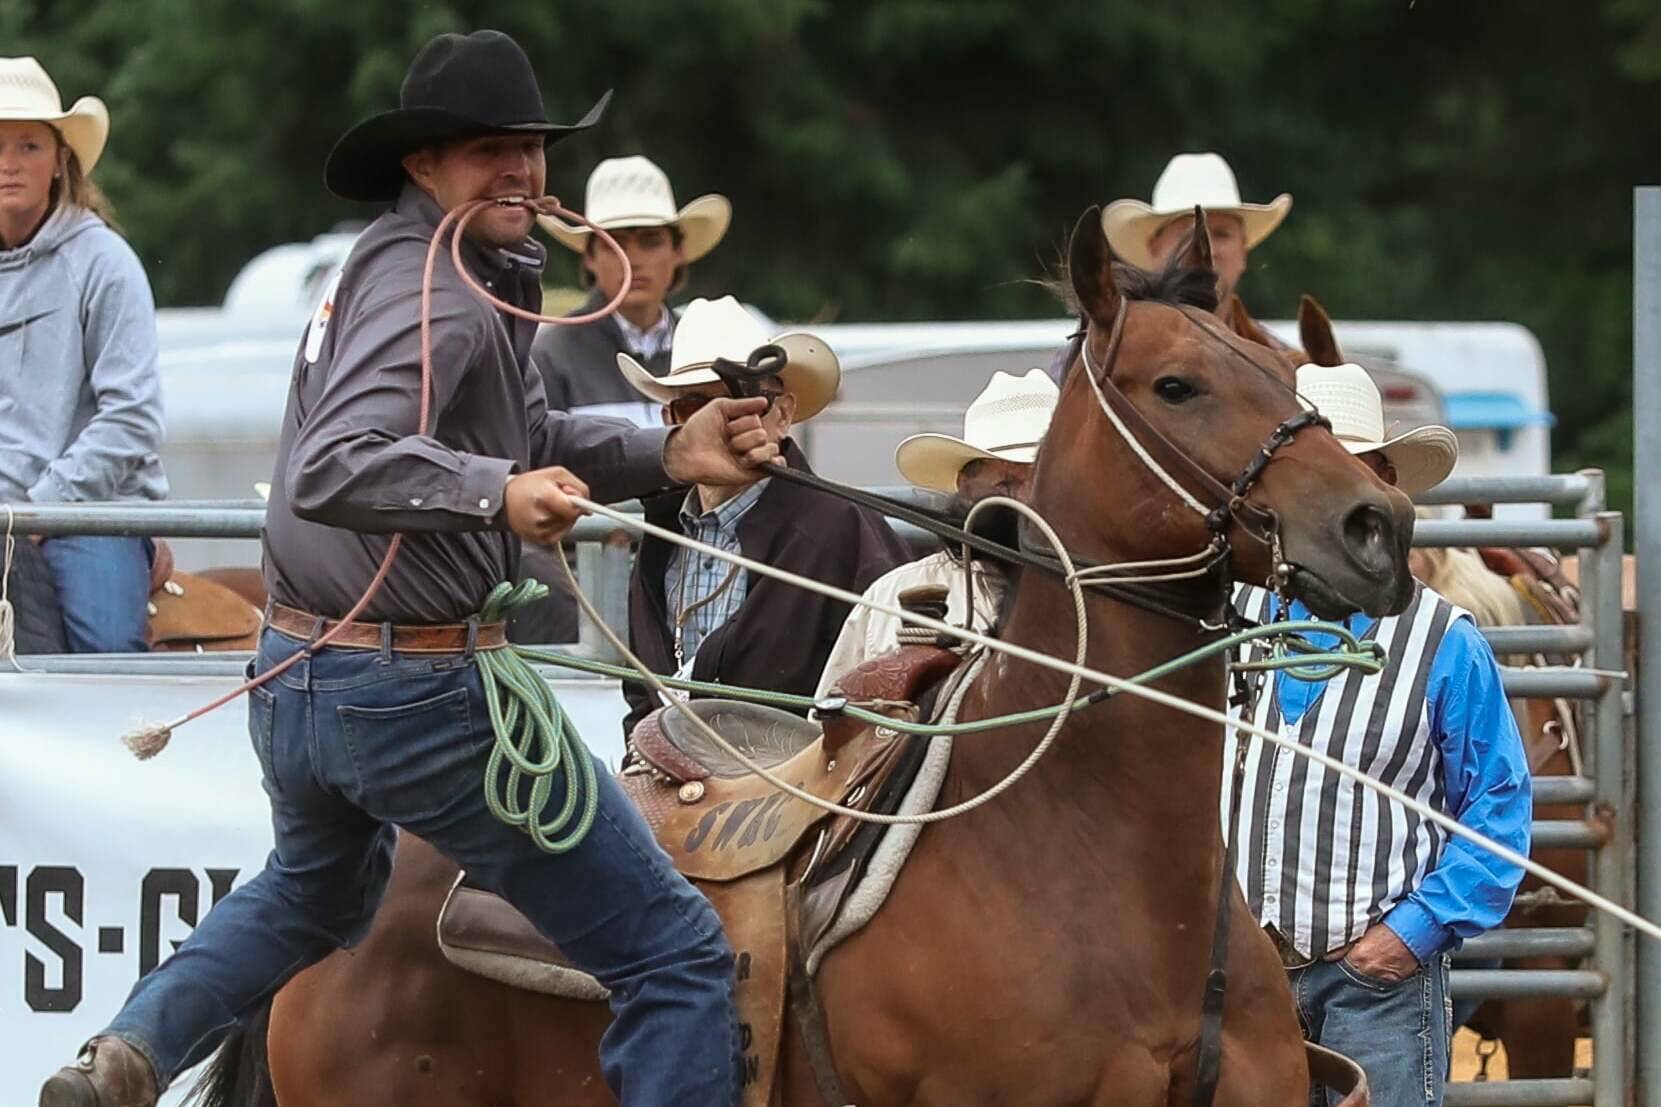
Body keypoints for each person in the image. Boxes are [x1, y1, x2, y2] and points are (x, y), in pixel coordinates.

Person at [40, 31, 772, 1107]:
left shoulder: (403, 264)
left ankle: (135, 1050)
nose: (520, 170)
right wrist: (492, 492)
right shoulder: (437, 295)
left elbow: (524, 434)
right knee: (674, 955)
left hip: (300, 673)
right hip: (410, 693)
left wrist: (669, 450)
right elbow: (345, 460)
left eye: (530, 147)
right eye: (488, 150)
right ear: (423, 165)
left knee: (313, 891)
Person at [1226, 363, 1532, 1107]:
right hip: (1232, 980)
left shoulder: (1443, 640)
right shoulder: (1227, 617)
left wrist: (1409, 933)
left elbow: (1496, 809)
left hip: (1372, 983)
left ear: (1381, 486)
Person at [616, 294, 910, 735]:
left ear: (783, 415)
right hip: (670, 781)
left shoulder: (844, 529)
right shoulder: (661, 531)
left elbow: (895, 696)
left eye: (744, 404)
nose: (723, 424)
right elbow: (641, 694)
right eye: (696, 408)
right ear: (671, 421)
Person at [0, 56, 164, 653]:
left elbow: (131, 418)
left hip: (88, 512)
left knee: (103, 660)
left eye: (27, 146)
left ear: (59, 161)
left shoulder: (103, 263)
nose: (8, 164)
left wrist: (37, 512)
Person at [816, 367, 1058, 695]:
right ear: (966, 487)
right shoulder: (890, 596)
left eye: (1042, 482)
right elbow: (833, 731)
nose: (1026, 501)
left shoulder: (1108, 593)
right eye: (1006, 484)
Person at [531, 154, 729, 425]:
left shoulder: (708, 352)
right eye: (614, 243)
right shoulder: (549, 356)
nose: (632, 260)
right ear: (590, 257)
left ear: (678, 251)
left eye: (651, 241)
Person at [1101, 151, 1290, 314]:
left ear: (1243, 251)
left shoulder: (1277, 354)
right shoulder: (1120, 353)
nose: (1207, 251)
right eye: (1190, 235)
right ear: (1154, 248)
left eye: (1221, 234)